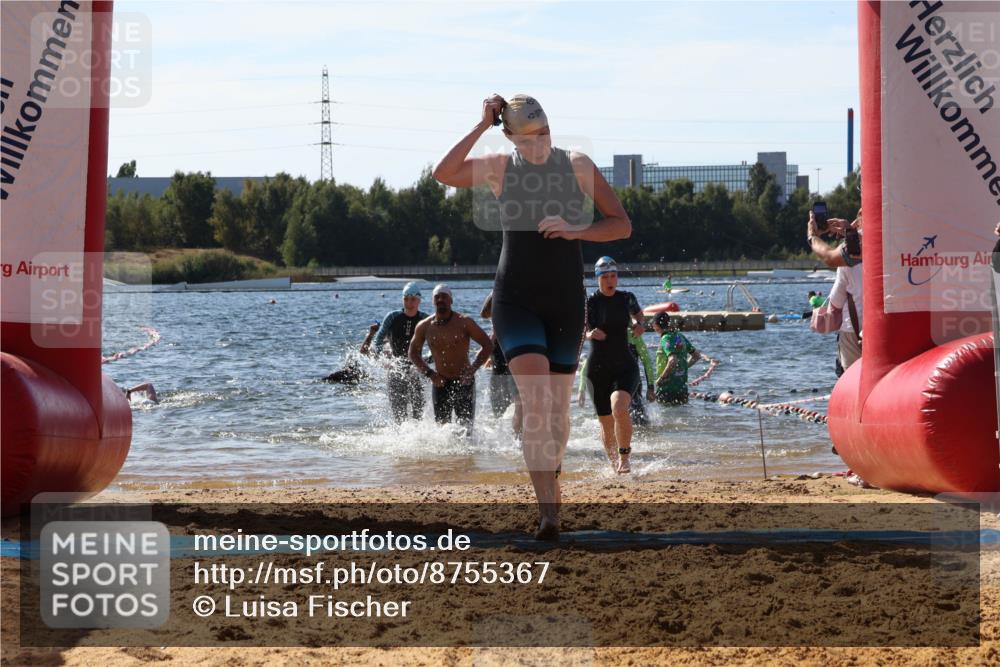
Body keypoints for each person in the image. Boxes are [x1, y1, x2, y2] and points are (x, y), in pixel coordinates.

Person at [432, 93, 631, 540]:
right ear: (511, 138)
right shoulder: (501, 166)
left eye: (545, 132)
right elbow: (442, 173)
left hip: (564, 303)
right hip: (515, 301)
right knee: (537, 405)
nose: (542, 142)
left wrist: (578, 229)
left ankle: (549, 484)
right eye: (531, 137)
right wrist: (481, 125)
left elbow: (621, 223)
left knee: (558, 415)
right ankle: (550, 513)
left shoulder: (577, 164)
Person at [584, 257, 645, 474]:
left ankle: (625, 457)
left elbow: (639, 315)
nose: (610, 281)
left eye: (613, 276)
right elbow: (580, 330)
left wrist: (640, 324)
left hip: (625, 365)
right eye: (605, 277)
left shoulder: (627, 298)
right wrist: (590, 334)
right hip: (598, 369)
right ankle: (614, 465)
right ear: (598, 279)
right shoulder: (590, 302)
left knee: (619, 408)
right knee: (606, 423)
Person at [408, 284, 493, 431]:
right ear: (433, 301)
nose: (440, 299)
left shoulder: (465, 322)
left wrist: (472, 370)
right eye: (437, 297)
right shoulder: (424, 326)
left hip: (464, 381)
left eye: (444, 296)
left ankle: (465, 455)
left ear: (451, 300)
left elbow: (488, 345)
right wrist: (430, 374)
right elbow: (413, 353)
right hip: (440, 382)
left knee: (466, 430)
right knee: (442, 431)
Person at [369, 282, 427, 421]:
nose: (409, 302)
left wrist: (428, 360)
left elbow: (435, 344)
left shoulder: (425, 319)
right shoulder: (392, 317)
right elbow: (377, 340)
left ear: (419, 300)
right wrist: (384, 360)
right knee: (399, 415)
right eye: (406, 298)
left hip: (415, 369)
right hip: (396, 367)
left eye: (413, 299)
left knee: (418, 414)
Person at [577, 328, 655, 427]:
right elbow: (588, 364)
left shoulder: (634, 335)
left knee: (640, 421)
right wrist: (581, 389)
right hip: (608, 382)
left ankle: (642, 441)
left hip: (631, 383)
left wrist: (651, 387)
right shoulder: (602, 336)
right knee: (607, 420)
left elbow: (647, 362)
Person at [481, 292, 523, 440]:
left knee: (520, 404)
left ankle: (519, 440)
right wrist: (496, 292)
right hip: (498, 363)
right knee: (498, 414)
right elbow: (484, 313)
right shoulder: (498, 297)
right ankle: (505, 444)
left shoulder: (519, 305)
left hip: (515, 363)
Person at [652, 312, 709, 405]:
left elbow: (672, 360)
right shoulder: (679, 336)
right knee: (682, 415)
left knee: (666, 417)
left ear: (656, 325)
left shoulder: (665, 338)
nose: (653, 328)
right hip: (682, 388)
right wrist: (683, 367)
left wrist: (661, 379)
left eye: (653, 326)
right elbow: (696, 356)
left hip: (667, 388)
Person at [829, 261, 863, 375]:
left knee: (852, 376)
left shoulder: (847, 262)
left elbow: (836, 301)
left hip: (853, 328)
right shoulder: (889, 251)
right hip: (884, 326)